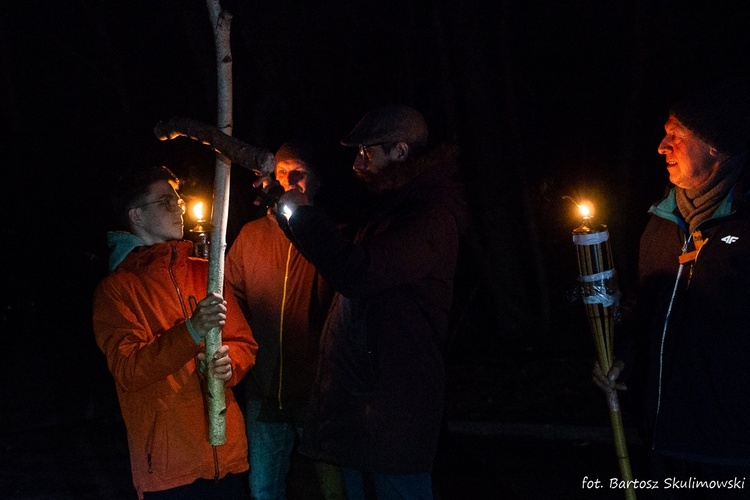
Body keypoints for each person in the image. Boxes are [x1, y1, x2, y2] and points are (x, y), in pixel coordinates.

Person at [276, 105, 471, 499]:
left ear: (399, 151)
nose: (357, 162)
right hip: (366, 402)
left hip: (394, 407)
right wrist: (290, 212)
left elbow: (358, 272)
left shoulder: (430, 215)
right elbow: (345, 255)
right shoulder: (391, 206)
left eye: (367, 151)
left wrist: (296, 211)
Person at [594, 80, 750, 497]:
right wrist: (623, 357)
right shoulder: (661, 223)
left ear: (715, 145)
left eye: (676, 136)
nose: (662, 146)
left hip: (730, 448)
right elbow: (646, 312)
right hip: (663, 438)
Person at [93, 165, 258, 500]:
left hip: (224, 454)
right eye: (166, 201)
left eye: (178, 201)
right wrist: (191, 331)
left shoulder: (205, 273)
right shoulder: (118, 289)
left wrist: (230, 365)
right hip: (170, 470)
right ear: (136, 216)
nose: (178, 207)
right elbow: (129, 369)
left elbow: (243, 343)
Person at [225, 142, 345, 500]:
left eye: (299, 174)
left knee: (332, 486)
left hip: (315, 390)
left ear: (316, 182)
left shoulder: (329, 235)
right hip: (264, 390)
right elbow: (229, 296)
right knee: (264, 487)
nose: (289, 182)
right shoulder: (251, 237)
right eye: (281, 174)